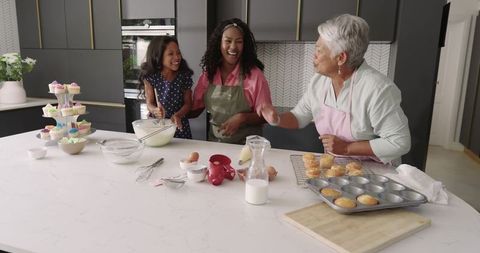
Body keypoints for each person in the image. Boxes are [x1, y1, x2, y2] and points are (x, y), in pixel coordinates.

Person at [260, 14, 411, 165]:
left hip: (377, 174)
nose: (315, 55)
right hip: (336, 168)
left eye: (319, 50)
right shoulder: (319, 82)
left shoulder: (377, 89)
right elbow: (299, 116)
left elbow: (399, 142)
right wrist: (276, 119)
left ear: (340, 58)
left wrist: (347, 148)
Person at [190, 18, 272, 144]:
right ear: (219, 43)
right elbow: (195, 110)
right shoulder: (209, 75)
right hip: (216, 145)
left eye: (239, 42)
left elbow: (266, 117)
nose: (233, 47)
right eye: (228, 41)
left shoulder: (255, 76)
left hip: (246, 150)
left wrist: (242, 118)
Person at [139, 36, 194, 139]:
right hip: (157, 126)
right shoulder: (151, 76)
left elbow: (188, 104)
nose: (177, 57)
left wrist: (178, 115)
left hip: (179, 125)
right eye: (170, 54)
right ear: (158, 56)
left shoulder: (184, 75)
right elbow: (149, 103)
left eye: (178, 53)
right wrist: (155, 110)